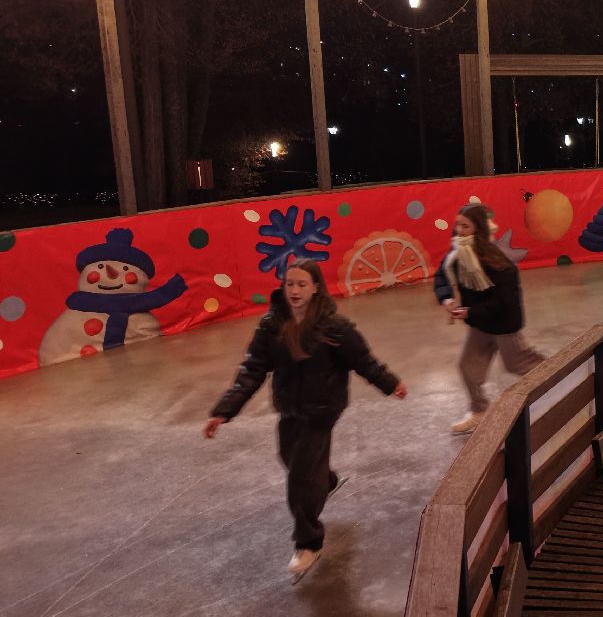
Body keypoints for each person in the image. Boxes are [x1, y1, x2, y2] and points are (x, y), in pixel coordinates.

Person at [205, 259, 407, 576]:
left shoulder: (334, 328)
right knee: (289, 458)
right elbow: (251, 371)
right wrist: (224, 410)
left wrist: (390, 382)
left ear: (315, 288)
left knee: (299, 478)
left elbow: (363, 361)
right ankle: (325, 481)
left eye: (302, 284)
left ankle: (308, 542)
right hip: (290, 408)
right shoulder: (272, 326)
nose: (295, 290)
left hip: (323, 410)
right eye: (290, 284)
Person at [436, 202, 545, 435]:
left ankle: (561, 381)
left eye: (465, 226)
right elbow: (442, 277)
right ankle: (480, 410)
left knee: (519, 363)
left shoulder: (498, 262)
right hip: (480, 324)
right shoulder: (456, 255)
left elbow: (505, 302)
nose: (459, 231)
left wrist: (470, 312)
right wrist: (446, 299)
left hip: (504, 325)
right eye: (457, 225)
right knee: (468, 366)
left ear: (478, 229)